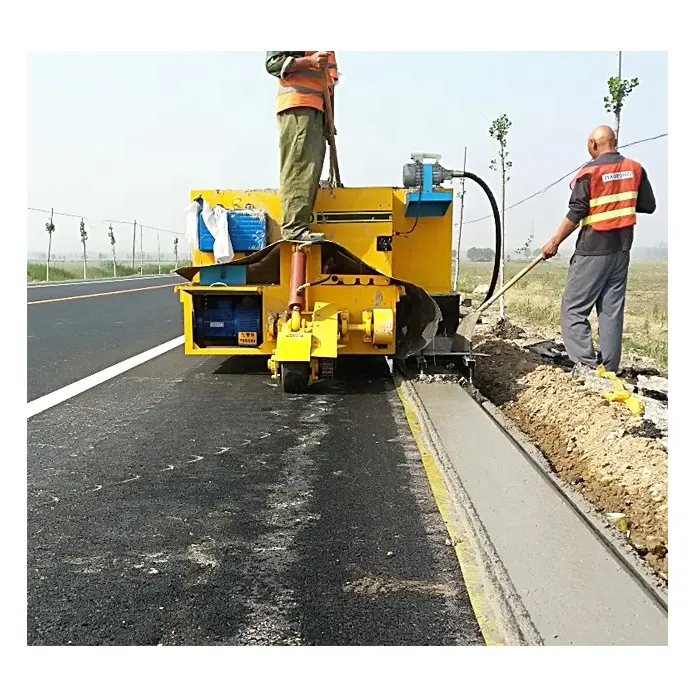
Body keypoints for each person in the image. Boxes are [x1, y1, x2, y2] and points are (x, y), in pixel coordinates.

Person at [540, 125, 656, 376]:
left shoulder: (589, 172)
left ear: (593, 144)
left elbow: (577, 210)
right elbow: (648, 205)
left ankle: (588, 367)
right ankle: (610, 369)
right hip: (622, 249)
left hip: (593, 249)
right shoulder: (635, 169)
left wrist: (554, 242)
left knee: (573, 308)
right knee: (611, 310)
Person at [265, 51, 339, 241]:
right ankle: (294, 228)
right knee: (300, 164)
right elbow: (273, 63)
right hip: (298, 104)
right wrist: (310, 61)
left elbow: (329, 85)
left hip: (316, 109)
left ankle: (299, 225)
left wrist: (329, 121)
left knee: (310, 168)